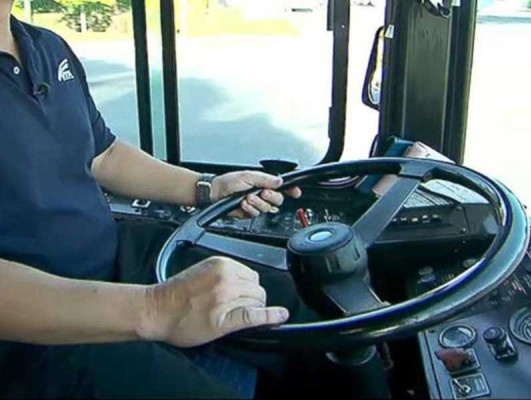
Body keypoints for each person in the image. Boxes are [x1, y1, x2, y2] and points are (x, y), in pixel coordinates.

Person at [0, 1, 306, 398]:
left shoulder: (46, 46)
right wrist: (157, 308)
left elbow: (103, 153)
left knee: (302, 302)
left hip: (114, 255)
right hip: (35, 326)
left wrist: (208, 187)